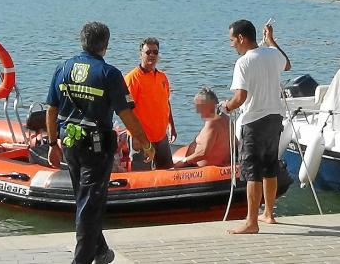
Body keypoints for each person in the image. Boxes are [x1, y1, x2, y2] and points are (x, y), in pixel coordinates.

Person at [46, 22, 155, 264]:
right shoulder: (109, 74)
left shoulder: (62, 68)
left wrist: (53, 143)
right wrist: (146, 144)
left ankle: (100, 251)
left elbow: (52, 109)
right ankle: (81, 260)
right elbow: (127, 115)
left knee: (84, 199)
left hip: (70, 143)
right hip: (96, 147)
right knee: (90, 204)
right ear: (105, 45)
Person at [222, 19, 291, 234]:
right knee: (270, 166)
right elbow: (287, 64)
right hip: (274, 118)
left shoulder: (243, 62)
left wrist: (226, 106)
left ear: (241, 38)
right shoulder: (271, 54)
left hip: (254, 120)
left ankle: (252, 222)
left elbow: (240, 97)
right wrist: (271, 40)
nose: (232, 44)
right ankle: (269, 213)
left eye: (232, 40)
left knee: (252, 171)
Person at [124, 37, 176, 169]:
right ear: (140, 53)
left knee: (167, 172)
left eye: (155, 52)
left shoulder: (162, 77)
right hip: (141, 139)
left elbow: (166, 103)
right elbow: (126, 111)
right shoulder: (132, 79)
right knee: (142, 176)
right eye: (148, 52)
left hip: (161, 136)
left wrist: (172, 125)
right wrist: (135, 136)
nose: (152, 55)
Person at [174, 87, 231, 168]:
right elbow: (235, 143)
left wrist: (183, 161)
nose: (197, 111)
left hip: (203, 168)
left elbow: (203, 153)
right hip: (220, 164)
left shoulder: (212, 122)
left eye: (199, 107)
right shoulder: (226, 118)